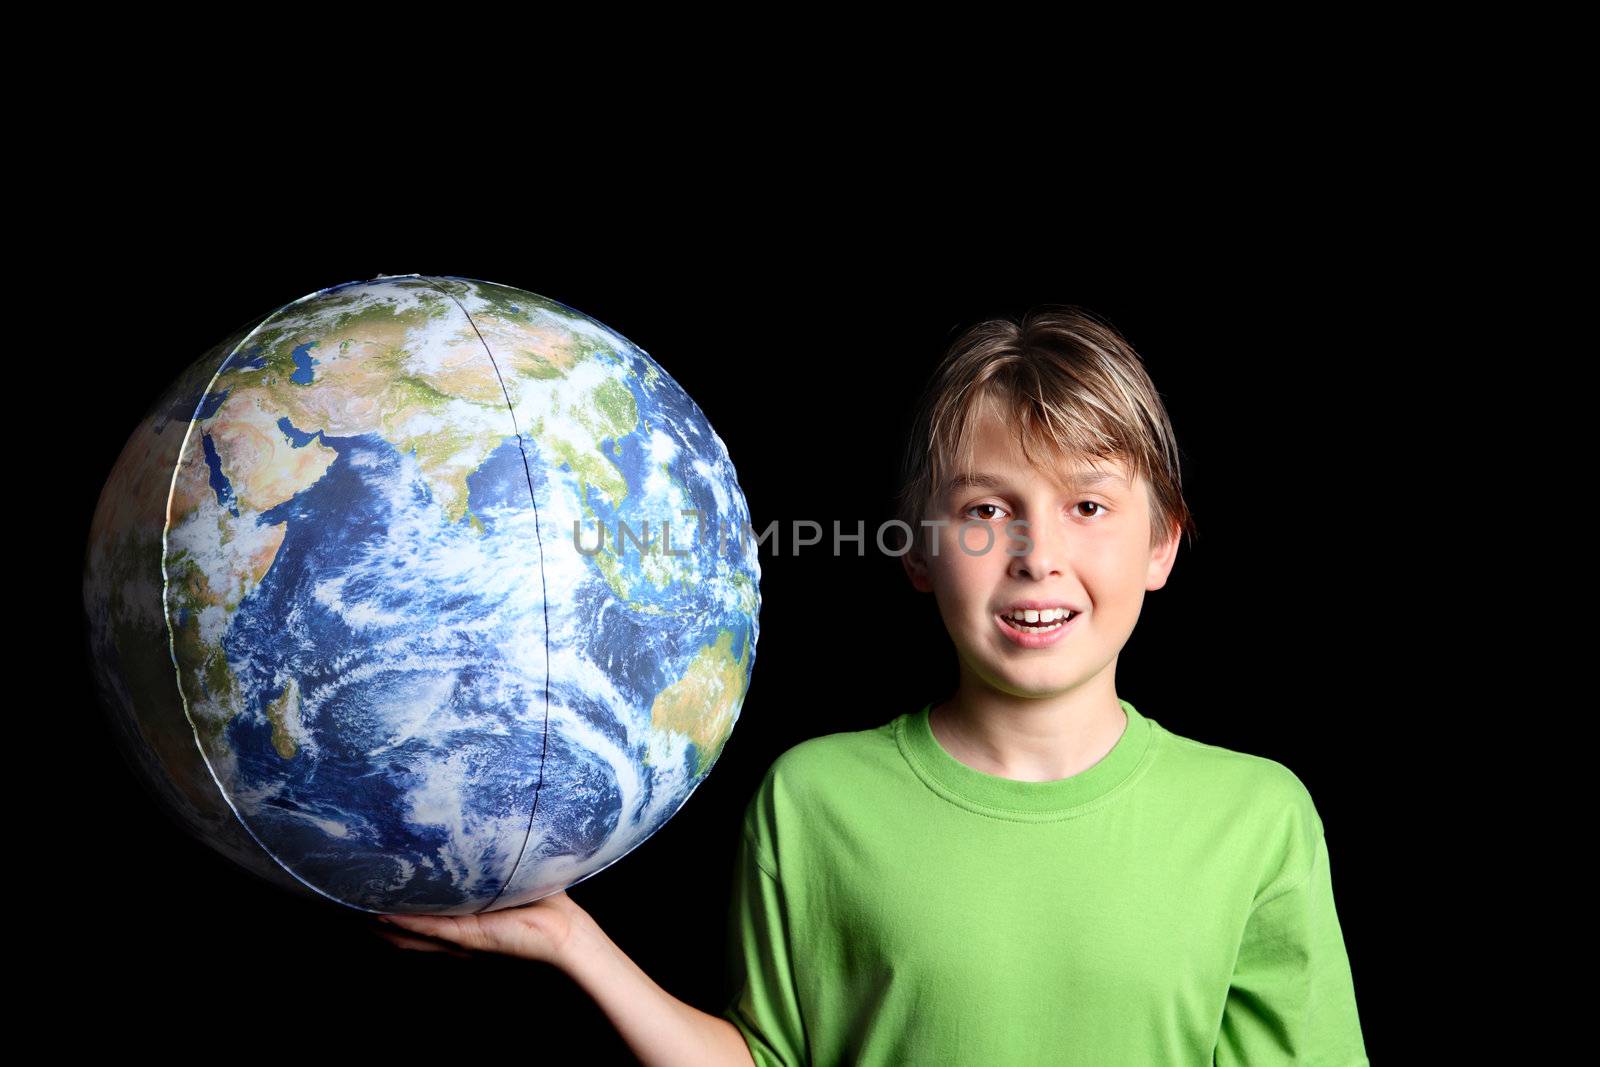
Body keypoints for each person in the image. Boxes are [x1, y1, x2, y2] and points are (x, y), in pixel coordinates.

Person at [377, 305, 1369, 1066]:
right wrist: (573, 943)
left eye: (1087, 504)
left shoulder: (1255, 815)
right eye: (986, 506)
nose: (1035, 555)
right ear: (917, 550)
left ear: (1162, 542)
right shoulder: (816, 797)